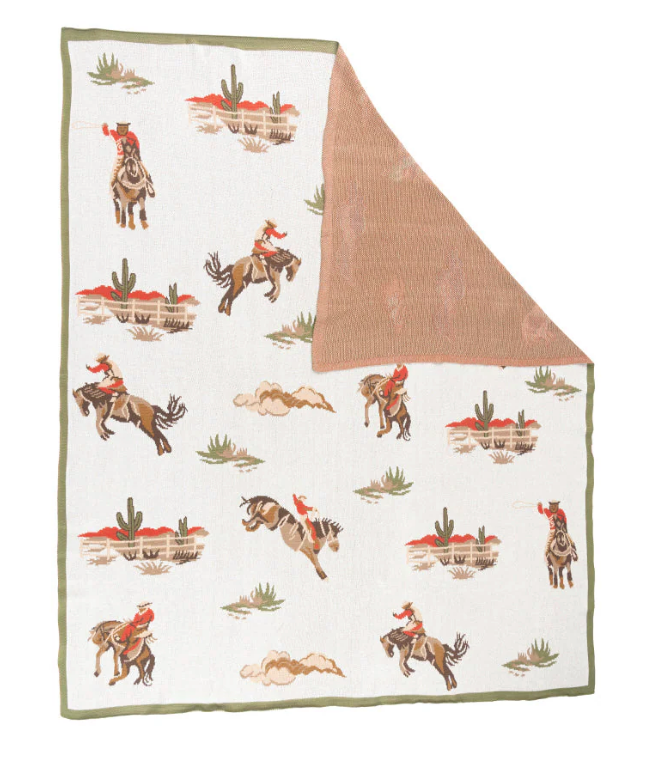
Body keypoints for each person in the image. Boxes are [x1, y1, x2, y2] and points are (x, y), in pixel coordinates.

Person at [102, 121, 149, 194]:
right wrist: (104, 127)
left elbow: (137, 145)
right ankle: (112, 189)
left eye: (124, 127)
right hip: (120, 157)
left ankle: (148, 183)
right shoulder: (114, 133)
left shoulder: (131, 135)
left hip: (133, 155)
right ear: (117, 127)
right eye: (121, 127)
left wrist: (136, 155)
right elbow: (107, 133)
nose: (122, 129)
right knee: (114, 172)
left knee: (143, 169)